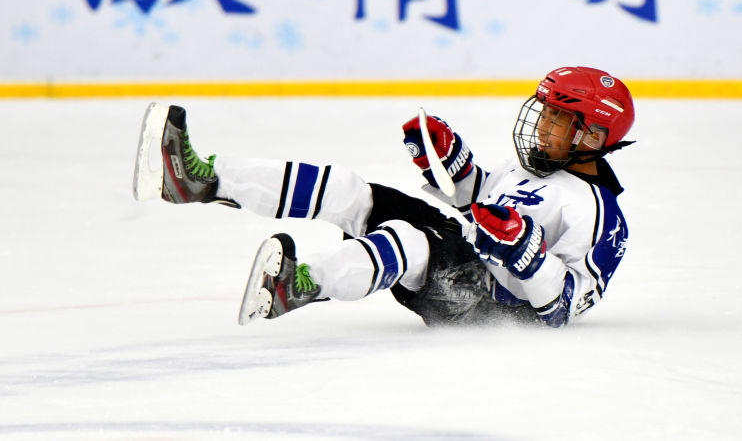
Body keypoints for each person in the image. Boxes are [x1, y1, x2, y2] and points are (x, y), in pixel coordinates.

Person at [132, 66, 635, 328]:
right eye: (544, 113)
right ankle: (199, 180)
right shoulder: (530, 166)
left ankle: (296, 287)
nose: (542, 125)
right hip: (463, 254)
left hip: (486, 302)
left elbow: (562, 309)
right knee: (350, 191)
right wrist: (452, 165)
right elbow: (479, 205)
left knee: (408, 241)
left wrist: (529, 256)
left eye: (557, 119)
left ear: (592, 136)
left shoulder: (600, 215)